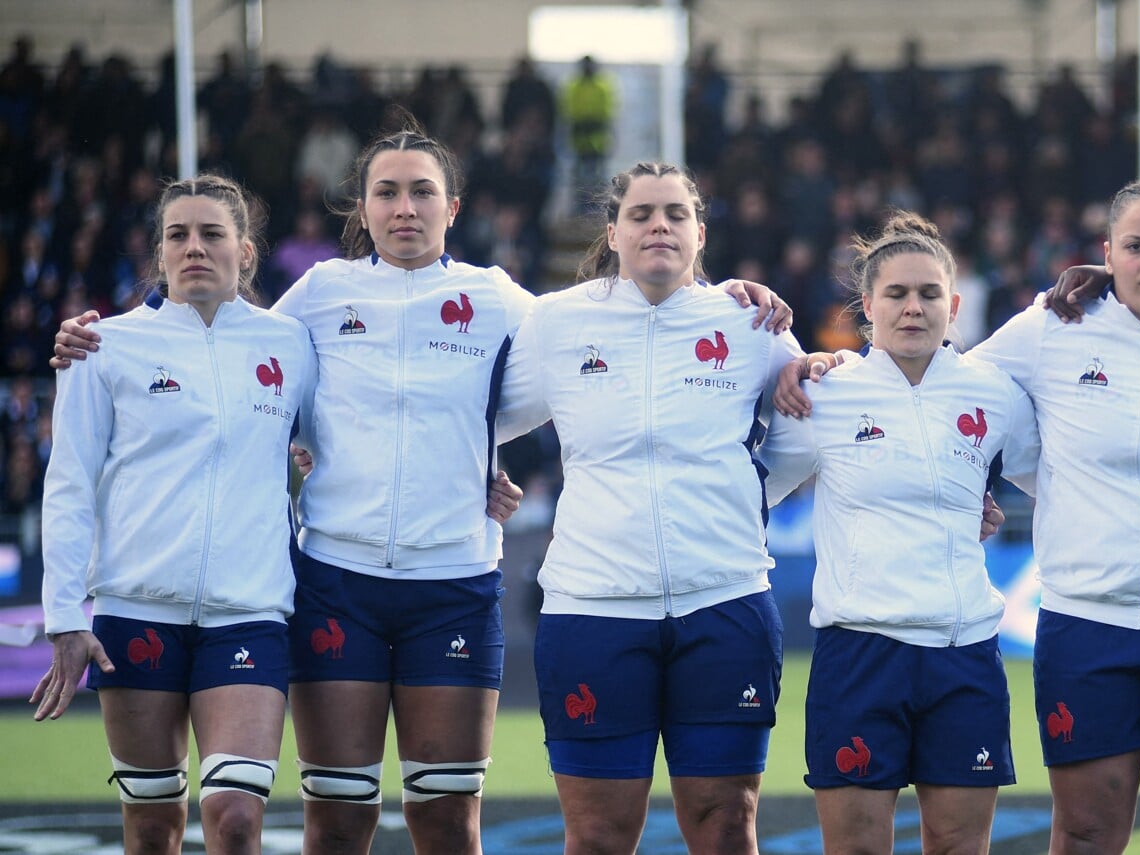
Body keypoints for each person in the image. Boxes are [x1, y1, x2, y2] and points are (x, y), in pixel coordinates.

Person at [50, 124, 792, 855]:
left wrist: (716, 293)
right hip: (338, 582)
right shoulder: (314, 297)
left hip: (456, 582)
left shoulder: (503, 301)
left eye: (422, 192)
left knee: (446, 820)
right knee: (337, 822)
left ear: (453, 207)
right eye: (387, 192)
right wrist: (108, 334)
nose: (405, 207)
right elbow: (229, 358)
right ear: (364, 209)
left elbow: (612, 338)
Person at [777, 181, 1140, 854]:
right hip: (1083, 619)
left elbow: (980, 414)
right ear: (1108, 252)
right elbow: (944, 395)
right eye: (1134, 246)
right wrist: (822, 367)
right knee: (1085, 831)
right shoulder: (1050, 328)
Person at [493, 162, 804, 855]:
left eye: (674, 214)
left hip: (724, 603)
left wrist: (746, 496)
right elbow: (476, 419)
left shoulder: (751, 321)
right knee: (600, 834)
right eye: (640, 214)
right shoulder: (558, 321)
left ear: (699, 233)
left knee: (725, 827)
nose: (657, 225)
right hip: (593, 609)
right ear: (613, 231)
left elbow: (809, 426)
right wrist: (484, 473)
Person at [33, 174, 317, 855]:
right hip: (135, 613)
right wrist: (65, 614)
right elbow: (68, 483)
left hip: (249, 612)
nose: (195, 247)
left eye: (212, 233)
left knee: (237, 819)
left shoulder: (292, 344)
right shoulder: (103, 347)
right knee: (153, 825)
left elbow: (347, 443)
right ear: (157, 253)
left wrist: (481, 478)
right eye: (178, 235)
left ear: (246, 252)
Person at [759, 213, 1039, 855]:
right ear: (867, 304)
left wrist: (979, 499)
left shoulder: (995, 395)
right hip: (859, 656)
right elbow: (748, 490)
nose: (914, 307)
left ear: (955, 303)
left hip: (963, 651)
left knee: (958, 847)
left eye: (929, 293)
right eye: (897, 294)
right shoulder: (822, 395)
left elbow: (1058, 477)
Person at [562, 55, 616, 205]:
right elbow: (568, 110)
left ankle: (601, 205)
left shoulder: (602, 85)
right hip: (579, 139)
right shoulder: (575, 86)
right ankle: (580, 207)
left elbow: (608, 111)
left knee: (599, 177)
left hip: (598, 139)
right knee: (579, 178)